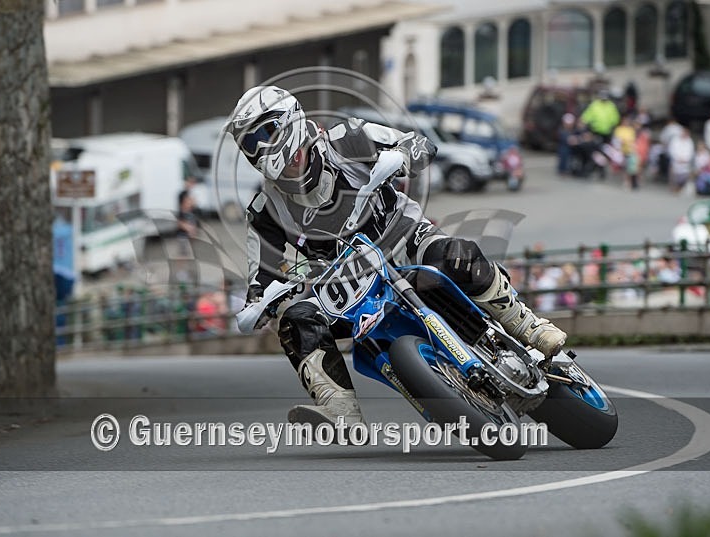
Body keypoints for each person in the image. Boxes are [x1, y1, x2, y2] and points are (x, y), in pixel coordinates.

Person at [227, 85, 567, 429]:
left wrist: (402, 157)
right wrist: (257, 305)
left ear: (292, 120)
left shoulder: (348, 138)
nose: (261, 147)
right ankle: (340, 410)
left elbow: (419, 144)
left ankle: (529, 326)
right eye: (250, 143)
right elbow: (261, 279)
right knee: (295, 319)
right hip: (349, 286)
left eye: (265, 133)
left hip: (405, 240)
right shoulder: (264, 211)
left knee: (455, 255)